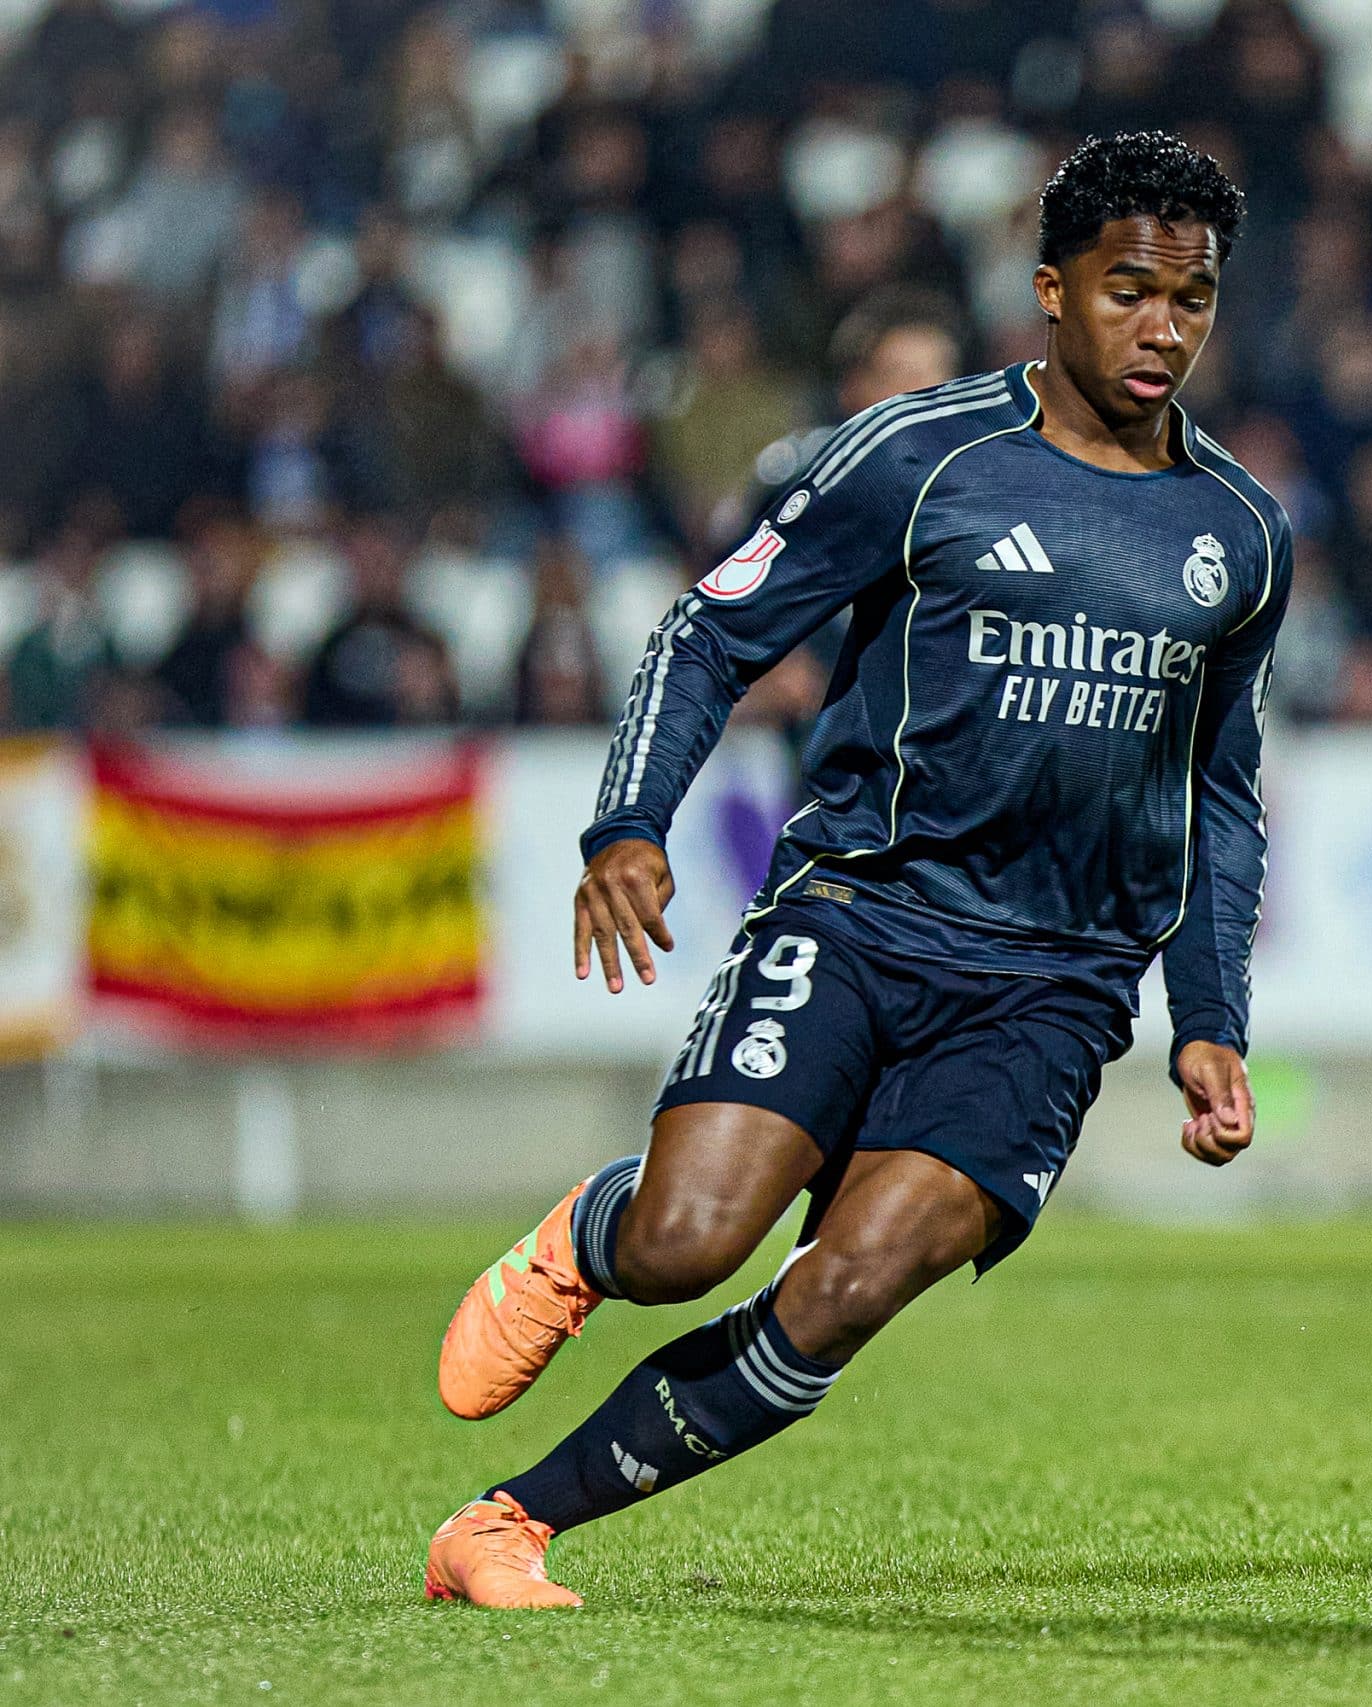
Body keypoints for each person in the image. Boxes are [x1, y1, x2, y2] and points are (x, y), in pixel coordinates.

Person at [421, 132, 1287, 1608]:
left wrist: (1208, 1014)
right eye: (1128, 289)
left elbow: (1218, 792)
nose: (1162, 327)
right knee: (694, 1242)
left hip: (1054, 990)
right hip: (861, 917)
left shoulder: (1240, 531)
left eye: (1191, 299)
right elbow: (712, 630)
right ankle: (591, 1236)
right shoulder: (917, 454)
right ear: (1051, 291)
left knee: (840, 1291)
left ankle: (503, 1527)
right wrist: (625, 822)